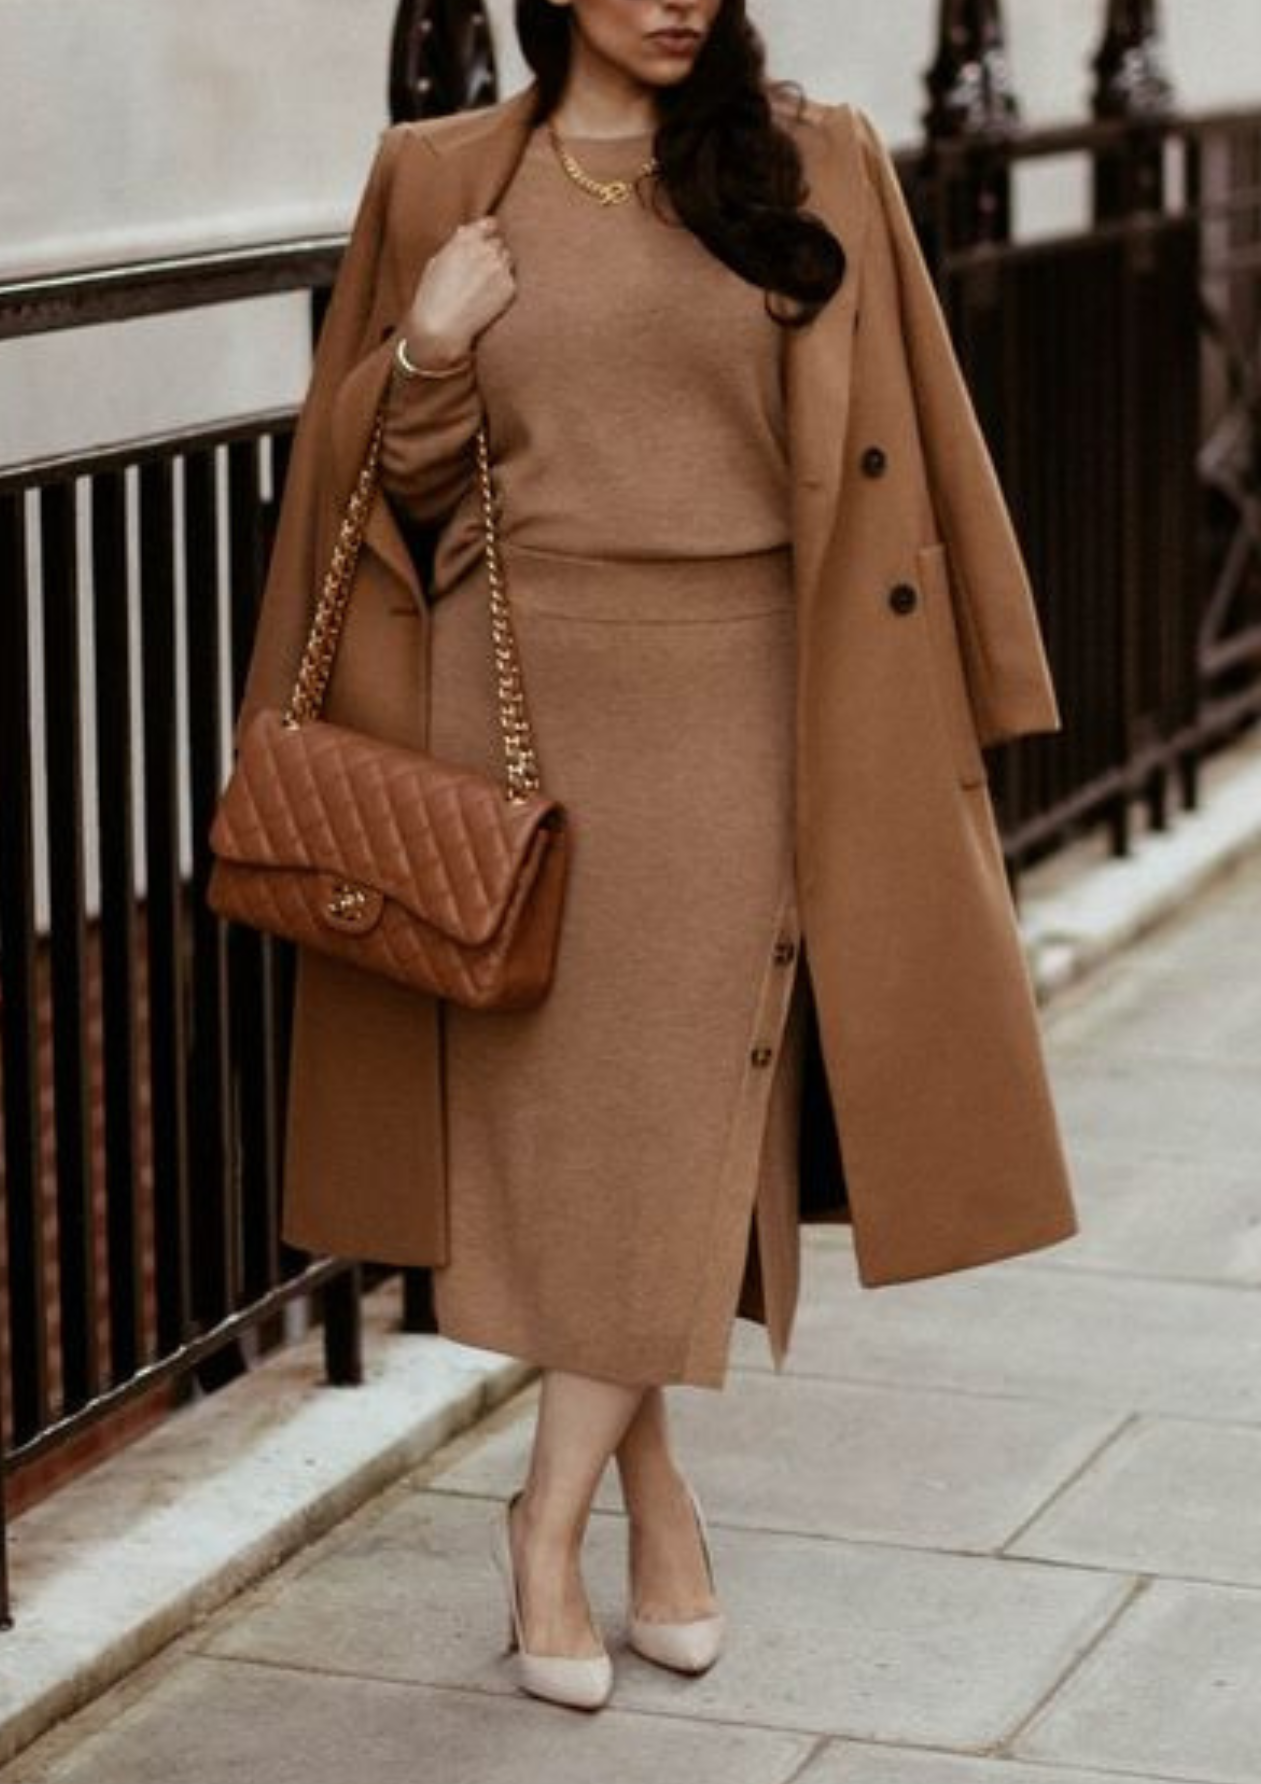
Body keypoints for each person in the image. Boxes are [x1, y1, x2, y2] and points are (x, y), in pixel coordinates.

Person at [231, 0, 1079, 1718]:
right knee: (592, 1141)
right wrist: (427, 351)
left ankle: (543, 1525)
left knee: (693, 1110)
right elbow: (370, 488)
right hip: (517, 709)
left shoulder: (813, 156)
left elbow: (913, 422)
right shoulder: (445, 174)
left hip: (756, 703)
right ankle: (658, 1497)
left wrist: (981, 674)